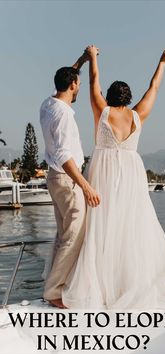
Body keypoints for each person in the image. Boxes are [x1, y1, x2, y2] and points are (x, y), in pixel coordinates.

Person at [62, 46, 165, 309]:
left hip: (103, 172)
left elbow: (93, 83)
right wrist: (162, 62)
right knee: (129, 229)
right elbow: (154, 88)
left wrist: (93, 58)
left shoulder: (101, 111)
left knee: (100, 229)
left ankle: (101, 289)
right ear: (129, 98)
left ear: (110, 96)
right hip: (131, 175)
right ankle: (127, 287)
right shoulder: (138, 116)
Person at [40, 52, 100, 309]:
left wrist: (81, 61)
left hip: (55, 180)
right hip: (67, 178)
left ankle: (56, 285)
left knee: (64, 234)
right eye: (76, 83)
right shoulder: (63, 114)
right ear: (74, 84)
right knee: (74, 235)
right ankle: (54, 290)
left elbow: (65, 76)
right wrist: (86, 186)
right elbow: (65, 155)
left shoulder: (48, 104)